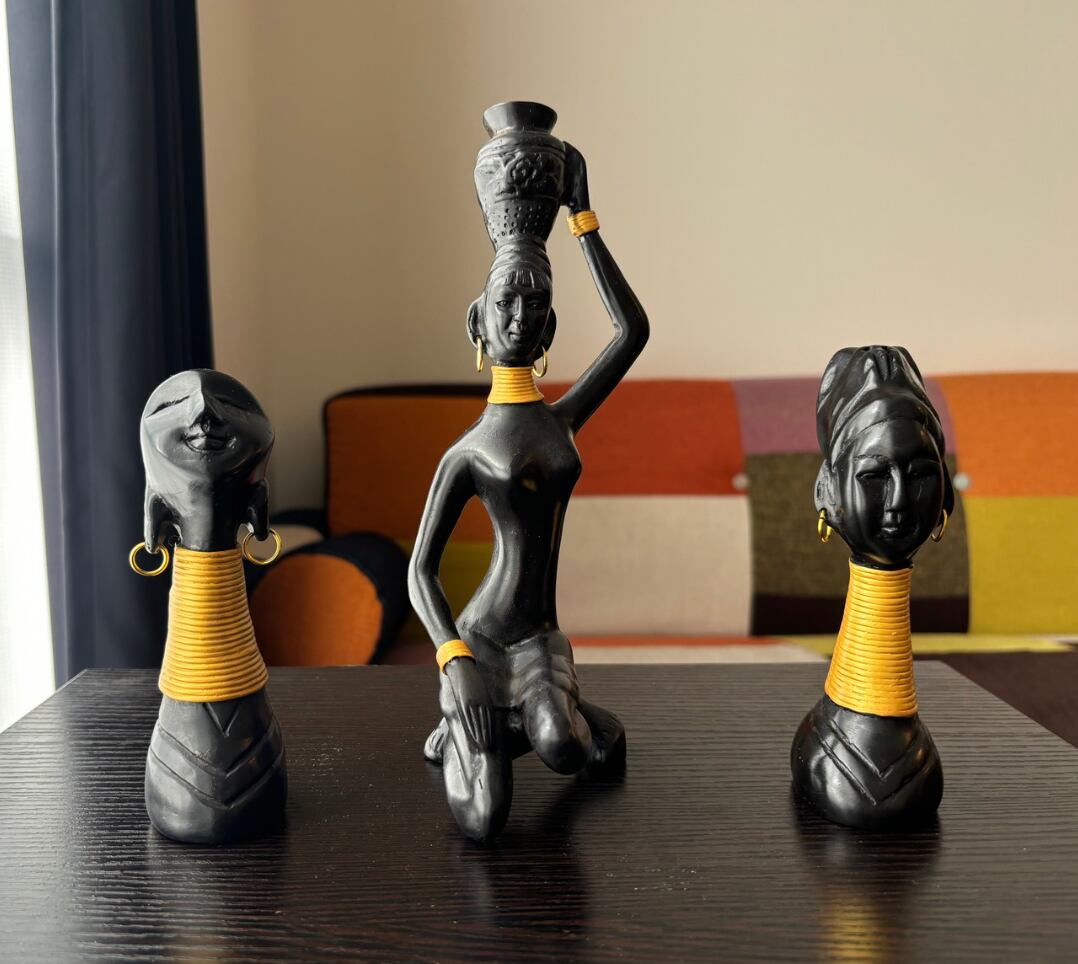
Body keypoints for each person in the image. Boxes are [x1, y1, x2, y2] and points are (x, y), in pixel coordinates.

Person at [408, 144, 649, 842]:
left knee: (567, 750)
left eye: (536, 303)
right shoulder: (467, 452)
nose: (520, 315)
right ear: (476, 322)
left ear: (550, 327)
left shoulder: (563, 419)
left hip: (540, 638)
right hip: (481, 639)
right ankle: (471, 717)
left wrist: (583, 217)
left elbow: (632, 331)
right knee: (484, 823)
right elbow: (420, 570)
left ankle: (521, 722)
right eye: (506, 302)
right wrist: (453, 660)